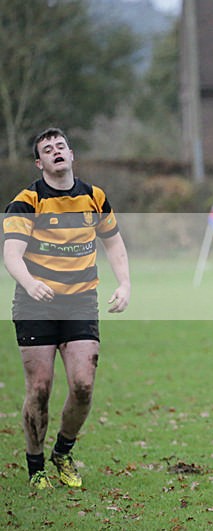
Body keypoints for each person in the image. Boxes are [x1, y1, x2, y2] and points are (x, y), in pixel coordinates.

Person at [3, 127, 131, 489]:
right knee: (40, 388)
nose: (56, 151)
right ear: (39, 161)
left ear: (72, 155)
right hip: (35, 303)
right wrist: (30, 283)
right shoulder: (26, 201)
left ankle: (62, 452)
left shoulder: (94, 196)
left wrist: (125, 283)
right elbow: (11, 253)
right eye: (48, 149)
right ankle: (35, 465)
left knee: (83, 385)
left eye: (61, 146)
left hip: (80, 300)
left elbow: (115, 244)